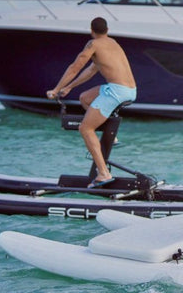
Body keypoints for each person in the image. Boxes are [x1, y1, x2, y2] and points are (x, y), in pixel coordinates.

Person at [46, 17, 137, 188]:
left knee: (85, 128)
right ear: (107, 30)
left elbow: (74, 67)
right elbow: (90, 70)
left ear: (91, 30)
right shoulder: (112, 43)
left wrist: (56, 89)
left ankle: (103, 173)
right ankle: (112, 136)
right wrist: (69, 87)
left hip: (116, 92)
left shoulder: (93, 44)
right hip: (130, 90)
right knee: (85, 98)